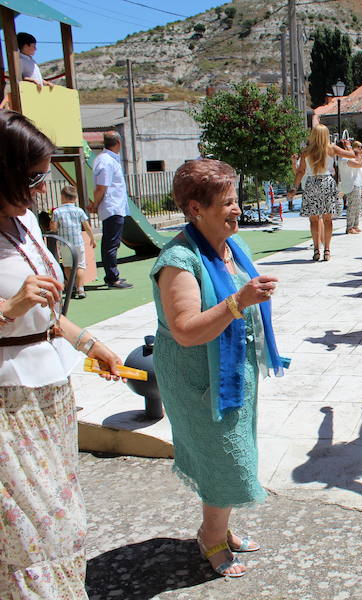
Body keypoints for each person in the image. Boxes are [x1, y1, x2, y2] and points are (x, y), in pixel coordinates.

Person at [0, 109, 123, 600]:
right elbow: (20, 307)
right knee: (32, 532)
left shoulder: (26, 220)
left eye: (44, 176)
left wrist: (91, 344)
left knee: (64, 519)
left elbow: (48, 311)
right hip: (8, 405)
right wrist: (10, 306)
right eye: (32, 177)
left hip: (49, 394)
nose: (40, 188)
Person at [151, 158, 289, 578]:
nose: (237, 209)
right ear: (196, 208)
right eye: (227, 202)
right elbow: (187, 331)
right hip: (199, 379)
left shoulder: (232, 247)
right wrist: (239, 302)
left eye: (235, 200)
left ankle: (220, 528)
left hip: (232, 370)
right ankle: (211, 537)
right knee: (223, 458)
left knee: (234, 450)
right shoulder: (178, 260)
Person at [294, 124, 355, 261]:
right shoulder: (331, 148)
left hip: (312, 183)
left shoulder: (306, 152)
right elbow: (351, 155)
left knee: (314, 219)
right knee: (328, 219)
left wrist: (294, 187)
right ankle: (327, 250)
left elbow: (301, 171)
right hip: (327, 182)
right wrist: (348, 145)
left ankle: (316, 249)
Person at [88, 131, 132, 289]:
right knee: (111, 244)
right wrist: (95, 204)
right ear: (118, 143)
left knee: (111, 243)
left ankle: (112, 275)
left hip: (114, 207)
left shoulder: (107, 159)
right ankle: (112, 278)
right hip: (112, 207)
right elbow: (101, 187)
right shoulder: (106, 161)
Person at [49, 185, 95, 299]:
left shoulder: (57, 212)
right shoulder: (79, 211)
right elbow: (86, 226)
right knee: (80, 265)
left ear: (62, 197)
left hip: (64, 243)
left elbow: (54, 228)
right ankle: (80, 289)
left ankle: (72, 287)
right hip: (78, 242)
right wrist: (92, 238)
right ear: (75, 198)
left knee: (68, 266)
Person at [336, 140, 362, 234]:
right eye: (348, 147)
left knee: (357, 207)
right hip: (351, 185)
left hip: (356, 183)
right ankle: (349, 227)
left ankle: (355, 225)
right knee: (352, 207)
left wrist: (361, 155)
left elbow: (359, 162)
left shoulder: (348, 158)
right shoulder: (344, 159)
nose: (351, 149)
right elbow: (359, 164)